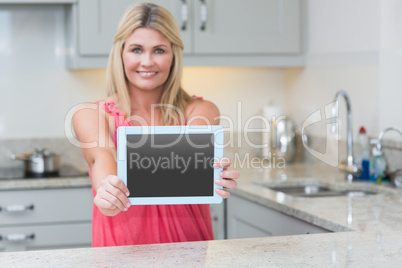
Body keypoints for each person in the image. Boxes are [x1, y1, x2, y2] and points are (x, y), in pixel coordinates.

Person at [72, 2, 240, 247]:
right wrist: (109, 194)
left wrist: (213, 176)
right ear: (120, 53)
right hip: (122, 251)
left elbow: (194, 170)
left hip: (188, 249)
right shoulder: (91, 114)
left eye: (159, 50)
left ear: (173, 56)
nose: (147, 61)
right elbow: (102, 159)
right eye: (137, 49)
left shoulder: (199, 111)